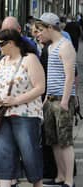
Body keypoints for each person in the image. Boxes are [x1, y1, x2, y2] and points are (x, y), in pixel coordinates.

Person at [0, 29, 45, 187]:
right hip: (2, 114)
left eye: (1, 43)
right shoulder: (2, 61)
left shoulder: (30, 59)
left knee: (29, 153)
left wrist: (16, 99)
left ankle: (38, 184)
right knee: (4, 153)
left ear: (11, 43)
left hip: (26, 114)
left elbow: (40, 88)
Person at [35, 12, 76, 187]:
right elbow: (50, 75)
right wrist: (45, 100)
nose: (39, 33)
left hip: (62, 99)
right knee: (53, 141)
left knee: (65, 141)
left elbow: (70, 76)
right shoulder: (51, 47)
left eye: (41, 29)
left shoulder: (66, 46)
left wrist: (65, 101)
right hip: (51, 99)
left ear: (50, 27)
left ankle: (69, 179)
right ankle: (60, 176)